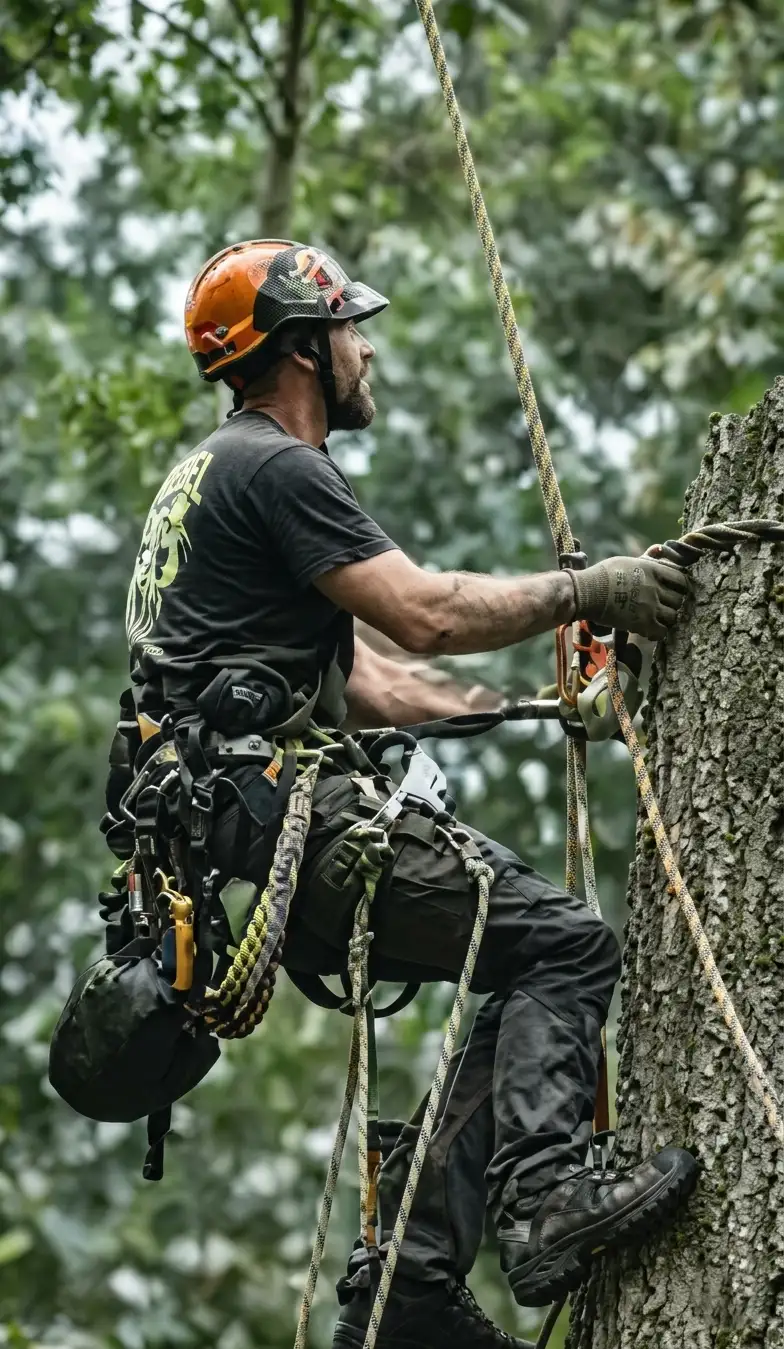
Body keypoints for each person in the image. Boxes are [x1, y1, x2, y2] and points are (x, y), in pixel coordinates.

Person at [126, 239, 698, 1349]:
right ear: (305, 348)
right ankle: (541, 1196)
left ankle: (409, 1288)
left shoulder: (209, 477)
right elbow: (423, 613)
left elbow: (371, 682)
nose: (367, 348)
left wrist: (536, 706)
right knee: (566, 947)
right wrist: (590, 587)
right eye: (351, 328)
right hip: (279, 813)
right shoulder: (279, 467)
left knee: (526, 958)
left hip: (239, 830)